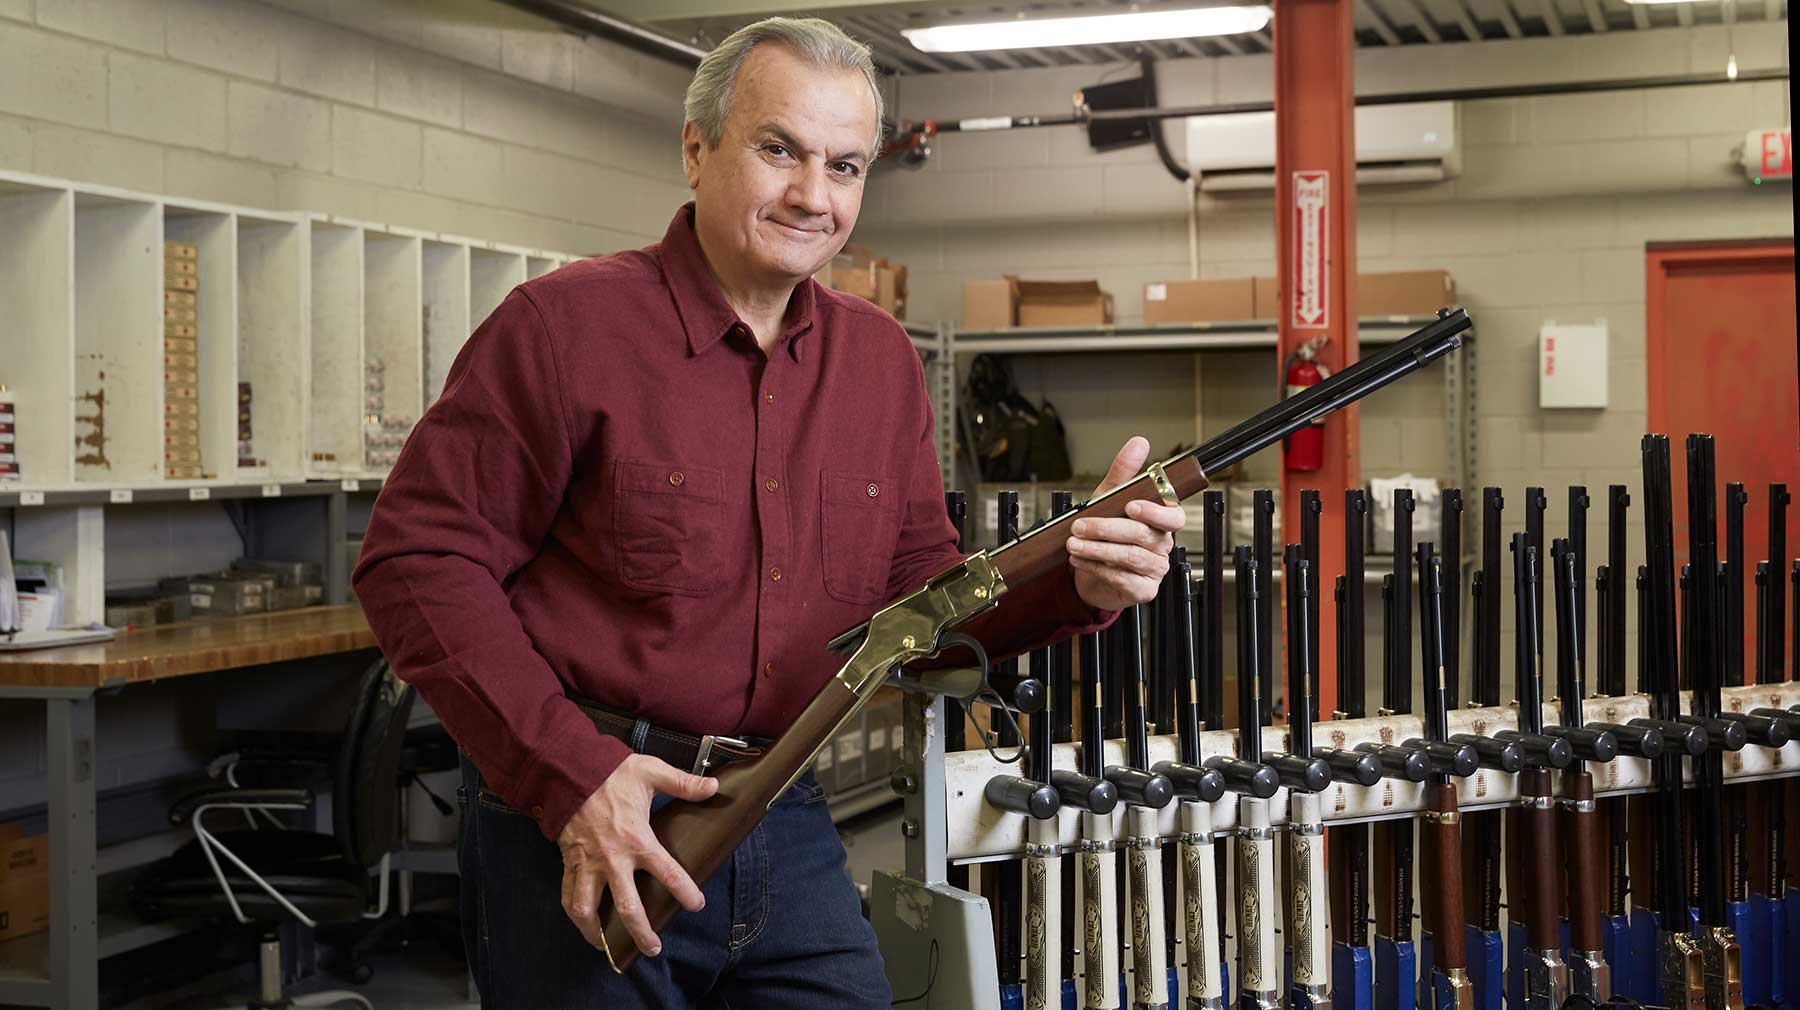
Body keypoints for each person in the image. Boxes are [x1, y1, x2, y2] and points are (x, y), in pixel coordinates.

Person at [352, 16, 1184, 1009]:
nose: (811, 196)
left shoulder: (878, 364)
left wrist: (1075, 576)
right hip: (594, 809)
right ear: (697, 149)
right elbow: (415, 559)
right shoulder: (562, 330)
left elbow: (918, 611)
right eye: (778, 149)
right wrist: (570, 775)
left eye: (844, 165)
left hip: (781, 808)